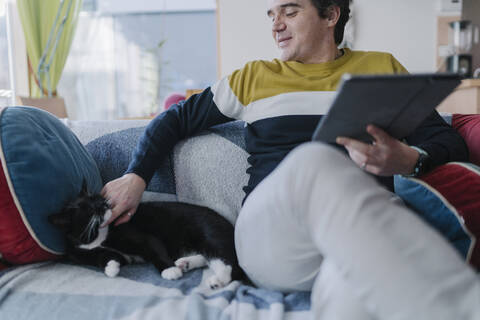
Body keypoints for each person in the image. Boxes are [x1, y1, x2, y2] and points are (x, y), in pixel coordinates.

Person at [102, 0, 480, 319]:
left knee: (352, 291)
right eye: (271, 14)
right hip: (272, 240)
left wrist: (409, 160)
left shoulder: (381, 67)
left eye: (290, 11)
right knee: (314, 160)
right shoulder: (254, 77)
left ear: (330, 16)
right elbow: (175, 119)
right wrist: (136, 176)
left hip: (356, 234)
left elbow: (446, 141)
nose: (276, 24)